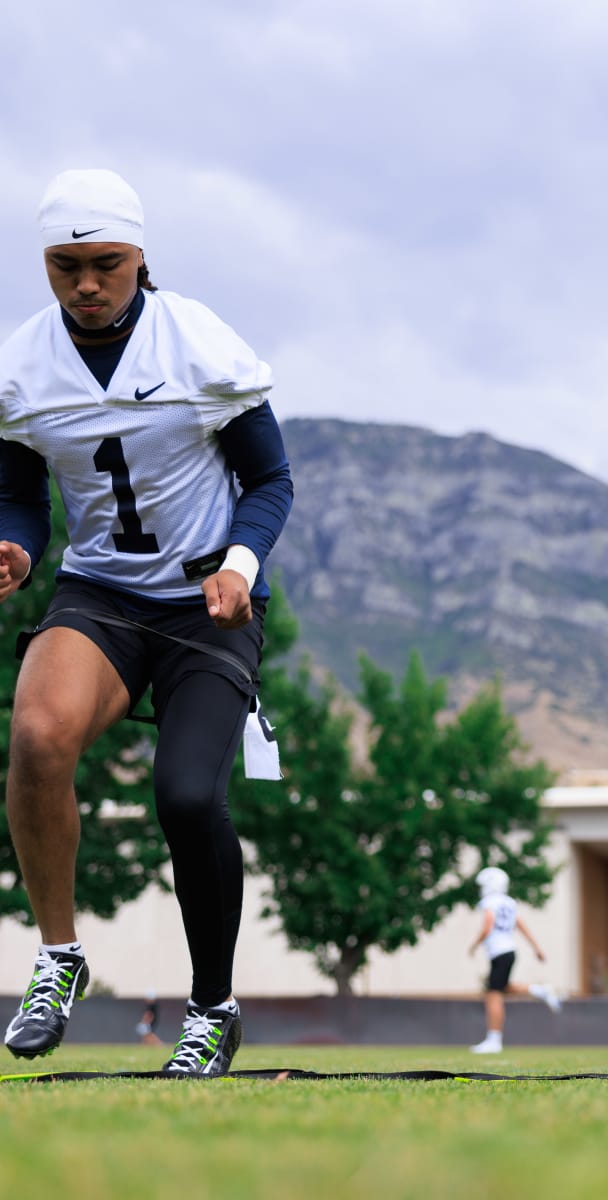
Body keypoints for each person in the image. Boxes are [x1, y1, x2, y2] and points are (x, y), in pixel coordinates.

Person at [0, 168, 292, 1077]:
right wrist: (11, 545)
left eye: (107, 264)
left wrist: (241, 565)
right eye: (64, 266)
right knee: (39, 735)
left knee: (188, 797)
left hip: (207, 602)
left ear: (139, 258)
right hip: (101, 595)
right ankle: (59, 957)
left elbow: (270, 479)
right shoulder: (21, 367)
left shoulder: (196, 342)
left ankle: (212, 1007)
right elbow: (20, 496)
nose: (86, 284)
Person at [467, 866, 561, 1054]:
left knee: (493, 994)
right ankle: (540, 990)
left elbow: (487, 926)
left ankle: (494, 1040)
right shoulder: (509, 902)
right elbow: (521, 925)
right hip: (509, 951)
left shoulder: (490, 902)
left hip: (499, 952)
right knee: (503, 988)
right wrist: (537, 948)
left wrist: (474, 945)